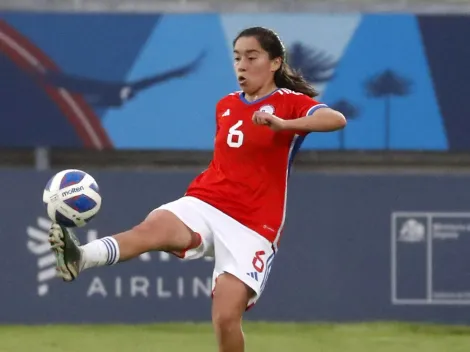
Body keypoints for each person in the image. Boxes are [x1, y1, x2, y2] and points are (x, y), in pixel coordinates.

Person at [48, 26, 346, 352]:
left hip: (254, 224)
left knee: (225, 319)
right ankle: (80, 257)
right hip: (207, 201)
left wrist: (285, 125)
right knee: (153, 230)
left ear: (274, 63)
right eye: (237, 58)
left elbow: (335, 120)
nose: (242, 65)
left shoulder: (289, 103)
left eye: (251, 57)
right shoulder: (226, 105)